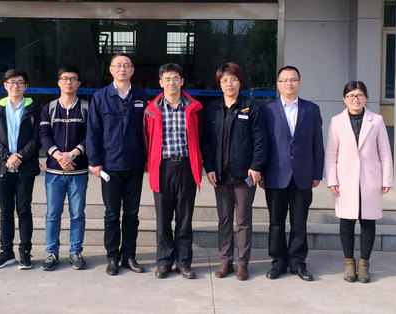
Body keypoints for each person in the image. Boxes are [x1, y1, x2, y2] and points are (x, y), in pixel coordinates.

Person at [201, 62, 267, 281]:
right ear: (219, 84)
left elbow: (260, 139)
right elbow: (207, 142)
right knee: (224, 219)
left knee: (243, 219)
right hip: (220, 174)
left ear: (240, 82)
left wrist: (256, 166)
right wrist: (209, 167)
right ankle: (225, 261)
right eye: (225, 80)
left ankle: (242, 263)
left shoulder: (250, 106)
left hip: (244, 175)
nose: (229, 84)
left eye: (234, 79)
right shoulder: (213, 109)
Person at [86, 54, 149, 276]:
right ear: (111, 70)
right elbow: (93, 131)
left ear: (132, 70)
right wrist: (94, 161)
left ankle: (129, 255)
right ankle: (112, 257)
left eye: (126, 66)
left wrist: (148, 159)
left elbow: (148, 131)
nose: (122, 69)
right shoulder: (100, 97)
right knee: (112, 213)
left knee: (132, 213)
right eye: (118, 66)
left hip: (134, 164)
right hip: (110, 165)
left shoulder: (142, 97)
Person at [325, 81, 393, 283]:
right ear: (344, 99)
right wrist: (332, 179)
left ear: (366, 98)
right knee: (346, 222)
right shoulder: (337, 121)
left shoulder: (376, 120)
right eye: (351, 96)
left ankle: (364, 265)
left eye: (359, 95)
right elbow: (331, 153)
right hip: (345, 179)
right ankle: (349, 264)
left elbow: (385, 151)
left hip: (370, 178)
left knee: (368, 221)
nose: (355, 99)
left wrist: (387, 178)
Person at [261, 65, 324, 281]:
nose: (289, 83)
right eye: (285, 80)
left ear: (299, 82)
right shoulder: (267, 109)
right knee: (276, 222)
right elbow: (262, 143)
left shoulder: (311, 109)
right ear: (278, 84)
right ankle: (278, 262)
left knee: (299, 222)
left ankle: (298, 262)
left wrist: (317, 172)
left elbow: (317, 143)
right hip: (275, 175)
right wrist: (261, 171)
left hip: (302, 175)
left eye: (293, 79)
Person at [144, 63, 203, 280]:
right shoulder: (152, 110)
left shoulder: (194, 108)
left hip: (186, 166)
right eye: (167, 79)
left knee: (184, 218)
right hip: (162, 167)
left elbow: (201, 137)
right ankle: (164, 261)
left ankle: (184, 262)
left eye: (175, 78)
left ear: (182, 81)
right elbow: (146, 140)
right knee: (163, 218)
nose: (171, 83)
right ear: (161, 83)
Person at [0, 69, 41, 269]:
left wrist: (20, 156)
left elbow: (37, 138)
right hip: (2, 167)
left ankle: (25, 252)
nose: (15, 86)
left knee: (24, 210)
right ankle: (6, 252)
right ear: (5, 85)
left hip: (25, 168)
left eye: (19, 82)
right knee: (5, 211)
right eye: (11, 82)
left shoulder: (33, 107)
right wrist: (8, 156)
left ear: (26, 86)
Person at [39, 66, 90, 271]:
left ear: (79, 83)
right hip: (54, 172)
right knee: (53, 214)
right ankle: (52, 252)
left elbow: (91, 136)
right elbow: (44, 134)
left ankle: (75, 251)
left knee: (77, 214)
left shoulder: (86, 107)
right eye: (65, 78)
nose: (69, 82)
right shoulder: (49, 108)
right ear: (59, 82)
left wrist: (73, 154)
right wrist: (59, 156)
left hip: (78, 172)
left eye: (73, 79)